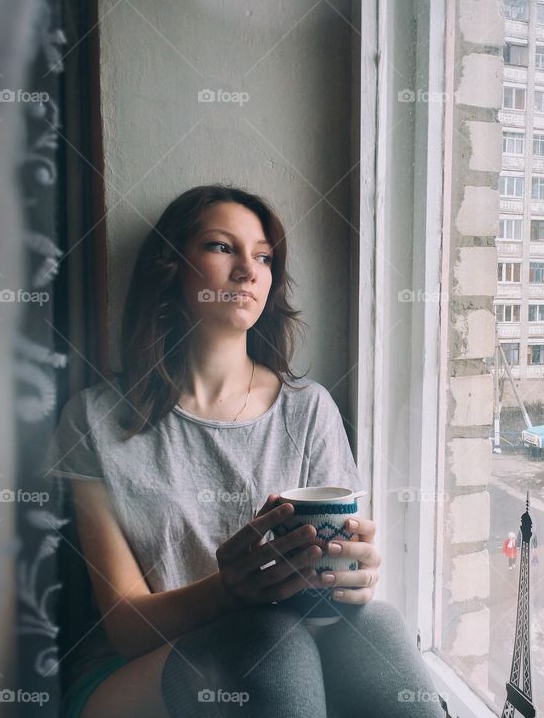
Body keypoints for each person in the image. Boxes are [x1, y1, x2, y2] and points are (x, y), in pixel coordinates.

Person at [44, 185, 444, 718]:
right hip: (136, 671)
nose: (247, 271)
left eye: (262, 256)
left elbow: (328, 595)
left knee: (376, 626)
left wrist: (352, 577)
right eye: (220, 247)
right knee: (266, 642)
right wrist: (229, 592)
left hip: (285, 650)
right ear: (171, 268)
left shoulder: (309, 410)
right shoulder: (92, 420)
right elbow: (125, 628)